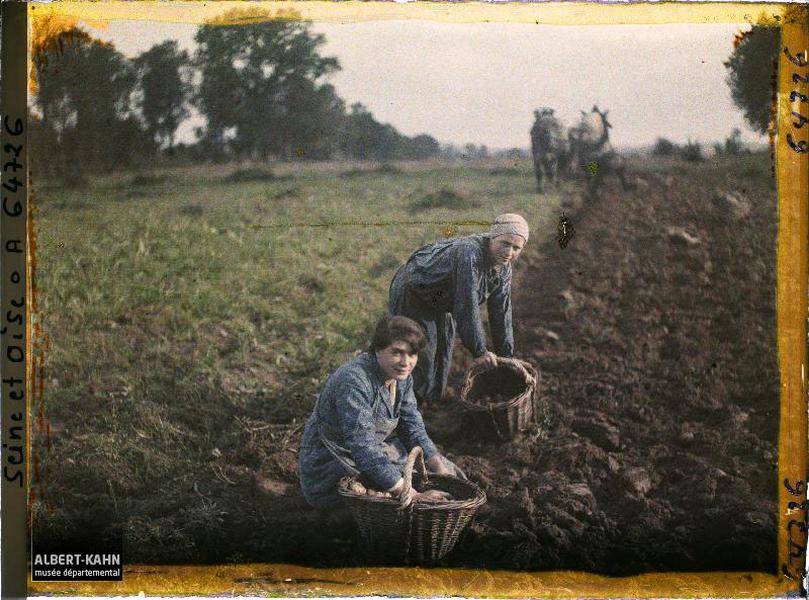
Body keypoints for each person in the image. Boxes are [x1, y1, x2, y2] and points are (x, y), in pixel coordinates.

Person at [299, 315, 463, 509]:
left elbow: (412, 426)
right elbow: (362, 446)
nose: (405, 362)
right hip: (334, 460)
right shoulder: (354, 381)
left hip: (374, 450)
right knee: (388, 499)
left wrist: (437, 466)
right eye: (397, 352)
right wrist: (411, 493)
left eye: (412, 354)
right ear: (378, 350)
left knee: (450, 474)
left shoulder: (401, 377)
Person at [389, 213, 532, 404]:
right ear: (492, 238)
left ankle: (426, 408)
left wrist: (507, 358)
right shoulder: (470, 253)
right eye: (505, 243)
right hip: (415, 291)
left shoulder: (504, 268)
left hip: (441, 299)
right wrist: (479, 351)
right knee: (423, 356)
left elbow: (501, 312)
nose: (509, 252)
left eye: (516, 248)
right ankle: (405, 413)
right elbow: (467, 305)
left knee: (443, 355)